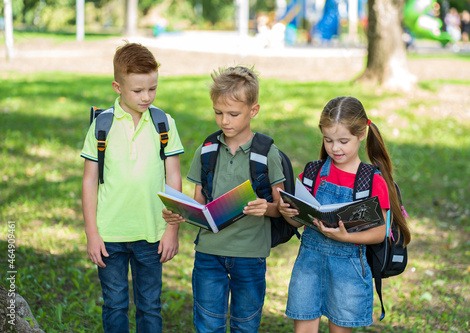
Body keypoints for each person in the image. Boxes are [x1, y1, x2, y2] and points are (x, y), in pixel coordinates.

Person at [162, 66, 285, 332]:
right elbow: (199, 202)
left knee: (245, 325)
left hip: (250, 256)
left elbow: (282, 208)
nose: (224, 121)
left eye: (233, 114)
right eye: (218, 113)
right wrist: (181, 212)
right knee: (208, 324)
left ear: (253, 111)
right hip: (209, 254)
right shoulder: (206, 150)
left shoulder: (267, 154)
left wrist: (267, 208)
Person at [278, 96, 411, 333]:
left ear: (361, 135)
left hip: (348, 267)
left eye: (343, 141)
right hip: (309, 263)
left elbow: (380, 233)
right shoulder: (312, 173)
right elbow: (296, 221)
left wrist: (345, 237)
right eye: (328, 140)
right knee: (303, 327)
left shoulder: (372, 181)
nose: (335, 148)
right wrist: (286, 212)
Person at [81, 42, 184, 332]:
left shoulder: (164, 123)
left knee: (150, 305)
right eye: (138, 91)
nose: (146, 97)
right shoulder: (102, 124)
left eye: (152, 89)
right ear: (117, 86)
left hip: (152, 233)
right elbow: (89, 180)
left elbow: (173, 177)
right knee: (114, 304)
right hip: (109, 233)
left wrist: (172, 230)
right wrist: (92, 233)